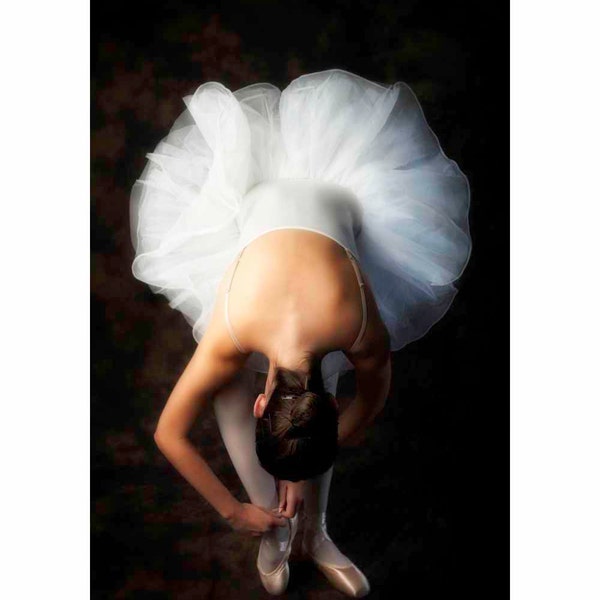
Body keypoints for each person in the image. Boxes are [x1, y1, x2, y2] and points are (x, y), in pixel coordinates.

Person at [130, 68, 471, 597]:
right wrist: (238, 510)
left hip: (339, 208)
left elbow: (361, 406)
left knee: (307, 400)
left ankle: (315, 530)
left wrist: (300, 467)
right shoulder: (240, 329)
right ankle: (276, 526)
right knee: (226, 381)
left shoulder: (357, 325)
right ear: (262, 406)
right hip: (257, 213)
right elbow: (168, 434)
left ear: (264, 409)